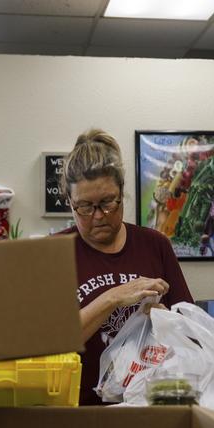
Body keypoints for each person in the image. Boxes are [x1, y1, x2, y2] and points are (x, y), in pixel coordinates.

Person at [58, 128, 194, 405]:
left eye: (108, 202)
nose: (98, 216)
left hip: (149, 407)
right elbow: (53, 340)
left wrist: (166, 322)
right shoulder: (56, 253)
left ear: (122, 192)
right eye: (85, 206)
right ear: (70, 203)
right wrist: (114, 297)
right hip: (77, 409)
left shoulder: (155, 245)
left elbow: (189, 333)